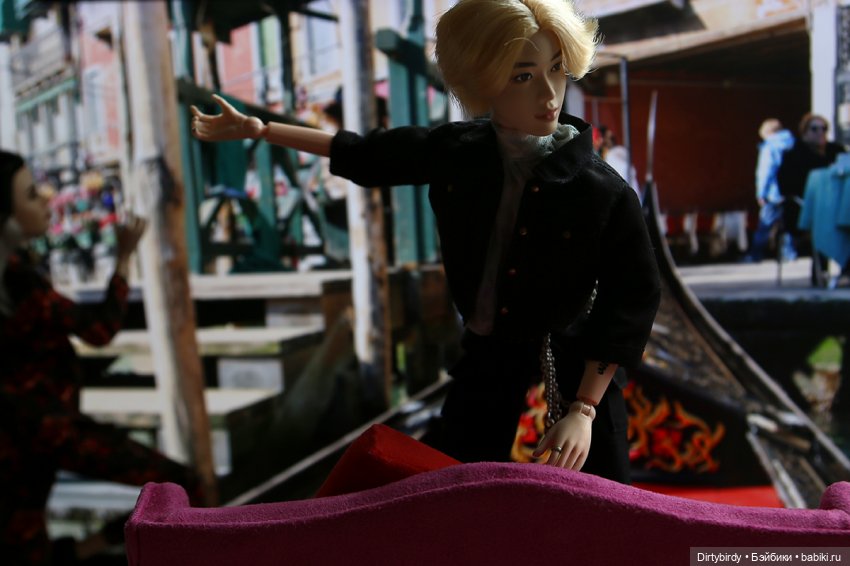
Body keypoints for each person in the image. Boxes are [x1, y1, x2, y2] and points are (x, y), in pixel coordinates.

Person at [191, 0, 661, 483]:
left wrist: (584, 409)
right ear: (484, 82)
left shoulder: (601, 191)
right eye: (523, 76)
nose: (549, 93)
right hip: (488, 355)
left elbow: (633, 295)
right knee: (452, 482)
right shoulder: (459, 152)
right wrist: (262, 130)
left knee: (601, 492)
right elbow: (367, 155)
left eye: (557, 69)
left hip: (575, 360)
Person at [0, 150, 202, 565]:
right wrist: (124, 258)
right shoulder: (21, 284)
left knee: (23, 543)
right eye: (31, 195)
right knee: (180, 485)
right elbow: (99, 329)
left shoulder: (17, 270)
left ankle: (79, 550)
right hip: (45, 429)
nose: (46, 201)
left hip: (25, 437)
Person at [777, 113, 846, 282]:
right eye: (814, 129)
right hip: (804, 209)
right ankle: (821, 271)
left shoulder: (836, 151)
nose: (820, 132)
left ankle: (846, 269)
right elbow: (786, 186)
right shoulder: (794, 155)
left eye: (824, 128)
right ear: (804, 132)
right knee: (825, 221)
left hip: (838, 207)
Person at [745, 118, 795, 262]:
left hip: (774, 193)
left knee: (765, 224)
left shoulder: (769, 147)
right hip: (792, 192)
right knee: (789, 224)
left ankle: (755, 255)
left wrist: (761, 193)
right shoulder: (794, 144)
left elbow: (766, 171)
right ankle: (790, 254)